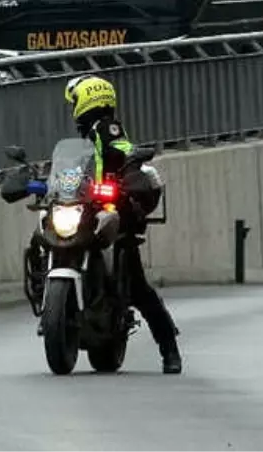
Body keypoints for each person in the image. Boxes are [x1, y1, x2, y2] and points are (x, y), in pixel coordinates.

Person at [63, 74, 182, 374]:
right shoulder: (85, 139)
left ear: (86, 100)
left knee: (137, 287)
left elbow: (125, 149)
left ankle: (169, 348)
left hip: (117, 214)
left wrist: (127, 173)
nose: (73, 108)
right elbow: (77, 169)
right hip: (90, 208)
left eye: (75, 102)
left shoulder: (108, 129)